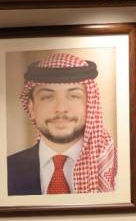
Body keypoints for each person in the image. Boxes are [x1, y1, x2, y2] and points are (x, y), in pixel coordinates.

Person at [7, 53, 118, 195]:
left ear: (90, 105)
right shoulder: (6, 170)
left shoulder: (116, 169)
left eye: (74, 96)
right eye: (47, 97)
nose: (60, 108)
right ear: (32, 108)